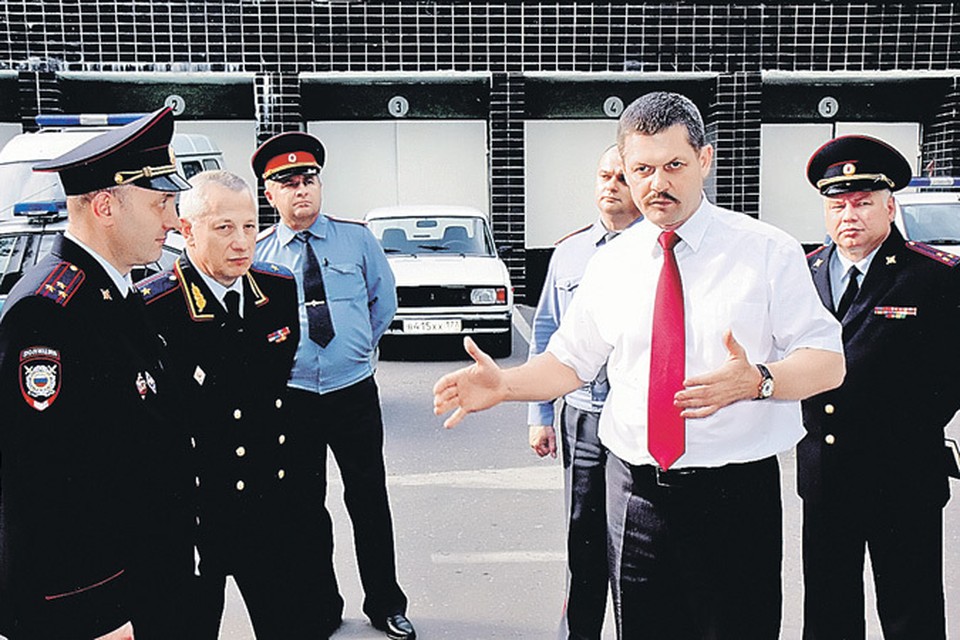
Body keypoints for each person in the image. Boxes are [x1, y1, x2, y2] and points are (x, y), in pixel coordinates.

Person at [434, 91, 845, 639]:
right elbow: (569, 363)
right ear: (625, 172)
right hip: (635, 495)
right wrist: (504, 385)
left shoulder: (766, 251)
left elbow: (828, 362)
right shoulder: (613, 262)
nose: (658, 183)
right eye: (642, 169)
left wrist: (760, 381)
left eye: (674, 165)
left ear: (705, 160)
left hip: (735, 500)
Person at [0, 107, 194, 640]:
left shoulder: (118, 292)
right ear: (106, 205)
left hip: (152, 578)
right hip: (99, 604)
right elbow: (40, 486)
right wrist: (95, 615)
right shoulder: (49, 311)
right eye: (162, 204)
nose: (174, 221)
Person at [136, 170, 339, 637]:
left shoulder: (278, 289)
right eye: (224, 228)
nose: (242, 242)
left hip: (269, 507)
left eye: (249, 226)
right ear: (188, 231)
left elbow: (276, 397)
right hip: (192, 516)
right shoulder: (152, 308)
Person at [252, 132, 415, 640]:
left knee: (368, 497)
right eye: (288, 183)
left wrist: (356, 347)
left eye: (309, 180)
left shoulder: (358, 240)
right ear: (269, 193)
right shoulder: (258, 254)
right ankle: (320, 606)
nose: (302, 190)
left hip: (352, 391)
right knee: (303, 506)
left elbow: (380, 304)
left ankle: (385, 603)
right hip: (294, 395)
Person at [799, 135, 960, 639]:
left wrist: (903, 430)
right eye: (838, 204)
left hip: (903, 477)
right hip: (826, 477)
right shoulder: (806, 274)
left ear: (889, 207)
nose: (850, 214)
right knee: (828, 613)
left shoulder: (934, 277)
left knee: (910, 614)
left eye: (864, 202)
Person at [527, 144, 642, 639]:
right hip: (583, 417)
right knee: (584, 536)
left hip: (636, 418)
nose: (610, 186)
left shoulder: (660, 249)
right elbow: (546, 333)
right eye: (603, 175)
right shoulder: (569, 252)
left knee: (635, 543)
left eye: (621, 177)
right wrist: (540, 414)